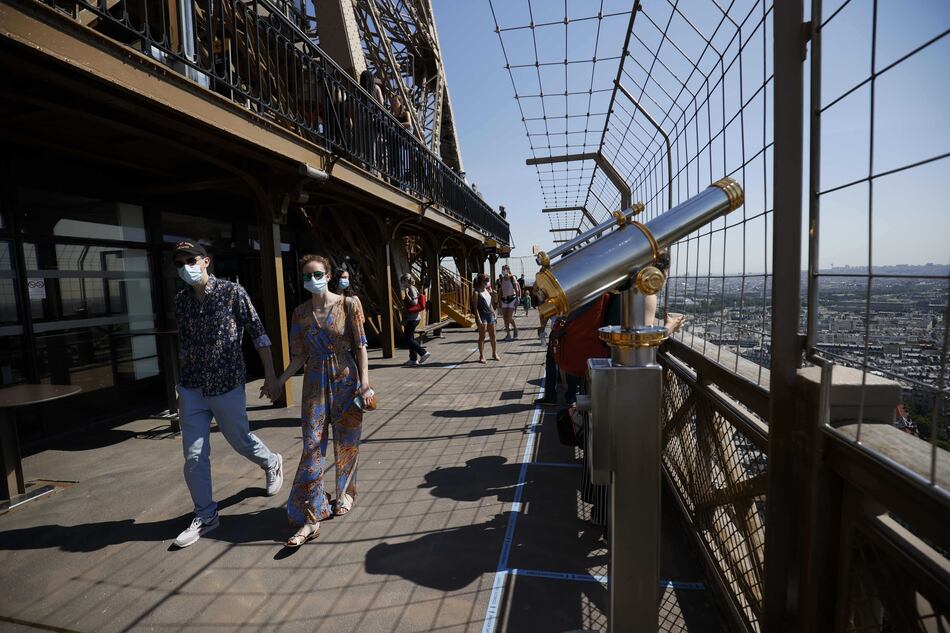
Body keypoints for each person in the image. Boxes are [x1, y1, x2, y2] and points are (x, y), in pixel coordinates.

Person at [171, 241, 283, 548]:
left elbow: (258, 333)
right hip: (192, 387)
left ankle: (271, 462)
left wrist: (270, 375)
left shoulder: (233, 292)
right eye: (179, 264)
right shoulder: (181, 301)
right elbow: (185, 344)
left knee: (240, 440)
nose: (185, 267)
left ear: (206, 261)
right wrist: (180, 387)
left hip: (226, 383)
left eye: (190, 260)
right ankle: (206, 515)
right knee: (194, 455)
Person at [273, 254, 371, 546]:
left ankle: (345, 493)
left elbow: (361, 346)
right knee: (312, 444)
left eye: (317, 274)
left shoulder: (349, 304)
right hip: (314, 380)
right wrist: (279, 380)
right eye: (307, 276)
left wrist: (365, 384)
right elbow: (300, 355)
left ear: (328, 276)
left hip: (346, 377)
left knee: (347, 439)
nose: (312, 280)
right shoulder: (299, 313)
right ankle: (312, 508)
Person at [400, 273, 430, 366]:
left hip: (413, 318)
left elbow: (414, 302)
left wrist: (407, 296)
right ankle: (413, 359)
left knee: (408, 339)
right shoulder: (412, 288)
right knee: (410, 338)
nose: (402, 284)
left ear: (406, 281)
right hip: (412, 318)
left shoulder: (411, 289)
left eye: (403, 281)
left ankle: (423, 352)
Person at [471, 273, 500, 364]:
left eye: (488, 280)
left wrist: (494, 313)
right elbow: (475, 307)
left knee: (493, 335)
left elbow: (491, 304)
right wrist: (478, 318)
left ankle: (494, 353)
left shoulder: (488, 291)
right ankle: (482, 355)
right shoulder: (476, 293)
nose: (487, 282)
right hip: (482, 316)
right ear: (480, 281)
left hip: (490, 315)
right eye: (486, 280)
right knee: (482, 336)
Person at [496, 264, 521, 340]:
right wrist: (499, 301)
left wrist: (518, 298)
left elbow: (517, 289)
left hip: (511, 299)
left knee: (509, 317)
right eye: (502, 269)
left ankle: (515, 329)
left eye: (505, 269)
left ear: (508, 270)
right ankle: (508, 334)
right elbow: (500, 291)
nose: (503, 271)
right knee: (505, 318)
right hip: (504, 299)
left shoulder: (512, 278)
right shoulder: (501, 279)